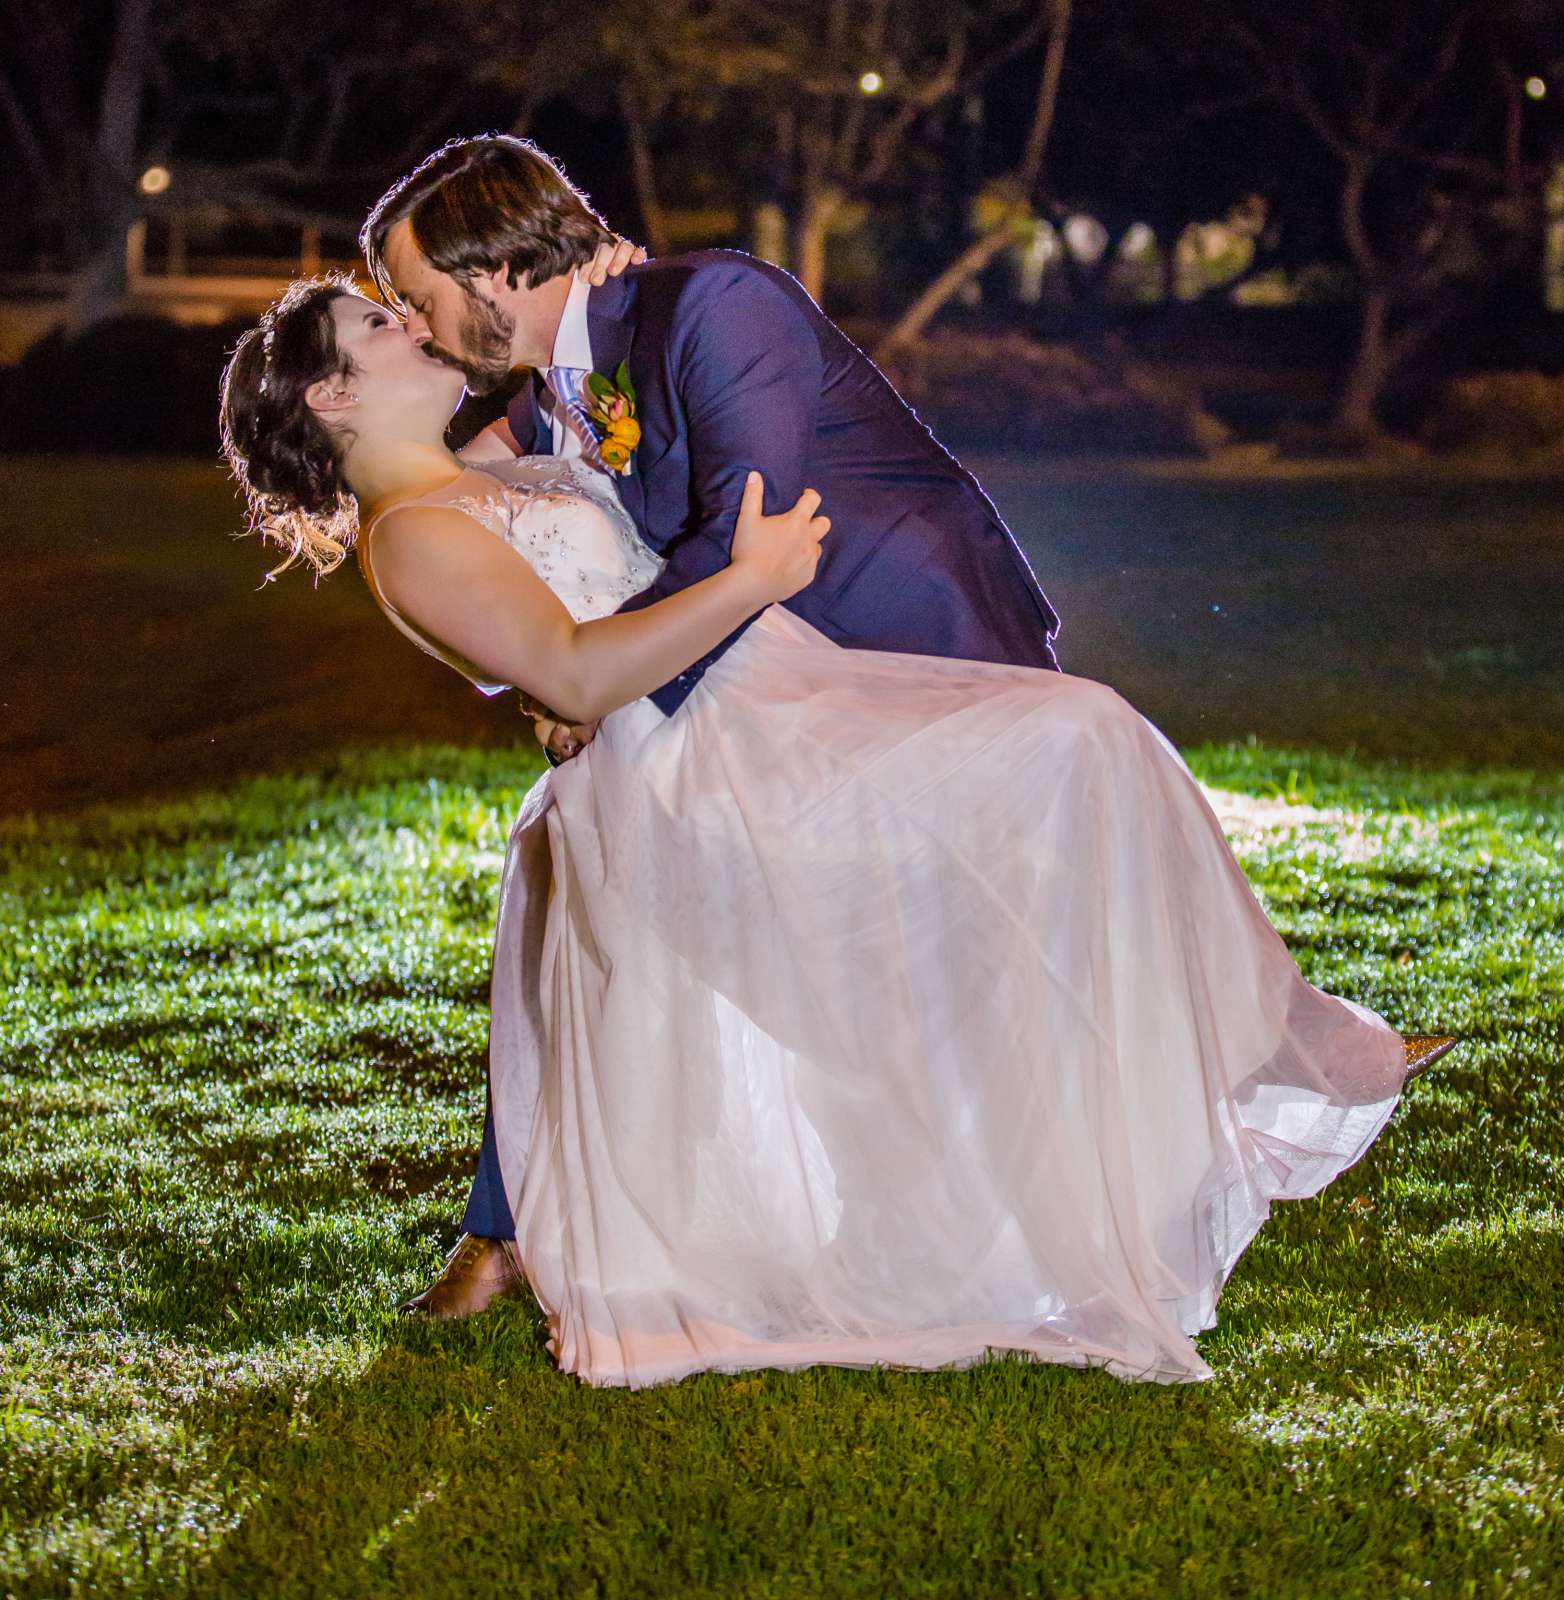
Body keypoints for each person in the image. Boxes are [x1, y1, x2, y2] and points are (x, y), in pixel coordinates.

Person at [221, 271, 1454, 1391]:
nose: (414, 322)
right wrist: (749, 580)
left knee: (1076, 766)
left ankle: (1215, 1083)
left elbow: (576, 423)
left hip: (774, 699)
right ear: (333, 394)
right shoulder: (413, 537)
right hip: (704, 768)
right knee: (1076, 744)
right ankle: (1268, 1066)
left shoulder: (476, 473)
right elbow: (578, 673)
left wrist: (594, 320)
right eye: (381, 325)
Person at [359, 135, 1063, 1315]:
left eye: (417, 297)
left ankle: (1182, 1109)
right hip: (742, 680)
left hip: (904, 649)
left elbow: (748, 533)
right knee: (576, 875)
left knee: (986, 953)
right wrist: (549, 666)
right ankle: (519, 1220)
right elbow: (441, 490)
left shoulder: (716, 302)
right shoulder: (563, 380)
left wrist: (595, 686)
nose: (419, 327)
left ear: (492, 272)